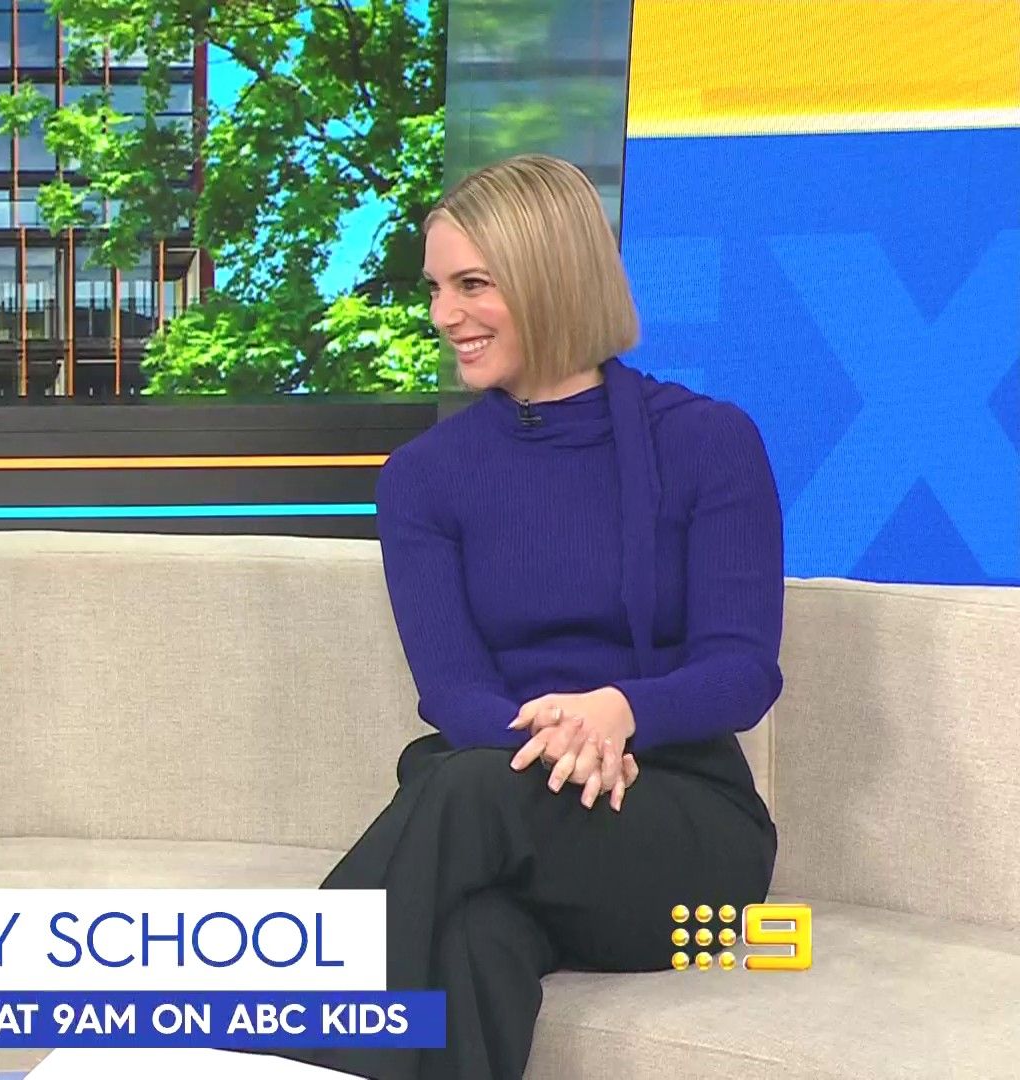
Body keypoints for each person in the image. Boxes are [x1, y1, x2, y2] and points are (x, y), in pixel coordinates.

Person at [296, 155, 782, 1079]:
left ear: (551, 273)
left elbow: (742, 670)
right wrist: (565, 743)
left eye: (473, 284)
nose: (445, 315)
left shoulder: (708, 442)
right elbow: (453, 691)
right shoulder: (423, 479)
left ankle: (240, 1047)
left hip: (680, 838)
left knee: (464, 789)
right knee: (474, 936)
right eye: (436, 288)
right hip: (504, 808)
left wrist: (620, 712)